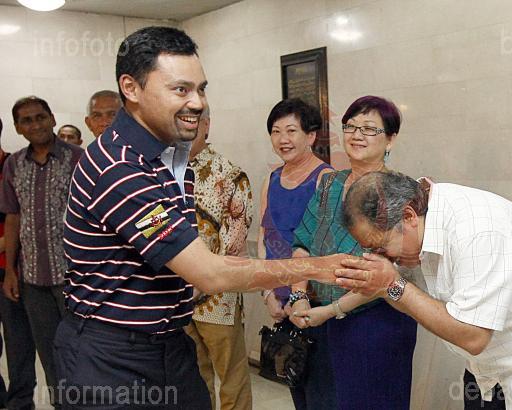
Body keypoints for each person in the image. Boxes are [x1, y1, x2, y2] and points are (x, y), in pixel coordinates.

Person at [56, 26, 343, 409]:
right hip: (112, 355)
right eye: (180, 89)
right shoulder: (120, 167)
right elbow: (209, 273)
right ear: (131, 88)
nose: (197, 103)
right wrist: (324, 268)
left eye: (201, 89)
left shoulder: (172, 159)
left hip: (169, 342)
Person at [338, 171, 512, 410]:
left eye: (381, 246)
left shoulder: (479, 231)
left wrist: (392, 284)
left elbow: (473, 337)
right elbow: (401, 291)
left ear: (408, 216)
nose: (381, 256)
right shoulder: (422, 219)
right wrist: (386, 286)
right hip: (493, 359)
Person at [289, 96, 417, 410]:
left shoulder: (401, 191)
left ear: (390, 139)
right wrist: (298, 296)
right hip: (321, 319)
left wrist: (332, 310)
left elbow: (386, 271)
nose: (357, 135)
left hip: (375, 321)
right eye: (351, 126)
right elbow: (303, 242)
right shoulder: (329, 183)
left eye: (369, 129)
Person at [0, 96, 84, 409]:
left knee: (84, 353)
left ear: (52, 119)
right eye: (27, 120)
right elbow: (13, 217)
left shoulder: (78, 159)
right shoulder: (14, 164)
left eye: (40, 117)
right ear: (18, 128)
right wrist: (10, 271)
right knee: (50, 357)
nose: (35, 125)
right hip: (33, 280)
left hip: (75, 278)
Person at [258, 98, 333, 409]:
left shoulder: (326, 179)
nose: (283, 139)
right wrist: (268, 293)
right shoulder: (271, 178)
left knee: (321, 395)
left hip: (316, 304)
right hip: (280, 301)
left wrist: (297, 297)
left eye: (291, 131)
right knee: (295, 387)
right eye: (276, 132)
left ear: (310, 135)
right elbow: (264, 237)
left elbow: (325, 247)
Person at [184, 106, 253, 410]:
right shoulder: (160, 173)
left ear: (207, 125)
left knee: (232, 379)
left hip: (218, 298)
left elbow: (233, 244)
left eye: (193, 122)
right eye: (179, 121)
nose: (185, 129)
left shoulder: (230, 174)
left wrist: (200, 282)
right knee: (192, 380)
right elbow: (153, 226)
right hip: (175, 296)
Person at [0, 117, 37, 410]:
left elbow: (23, 215)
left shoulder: (13, 165)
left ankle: (20, 401)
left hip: (10, 270)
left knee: (18, 344)